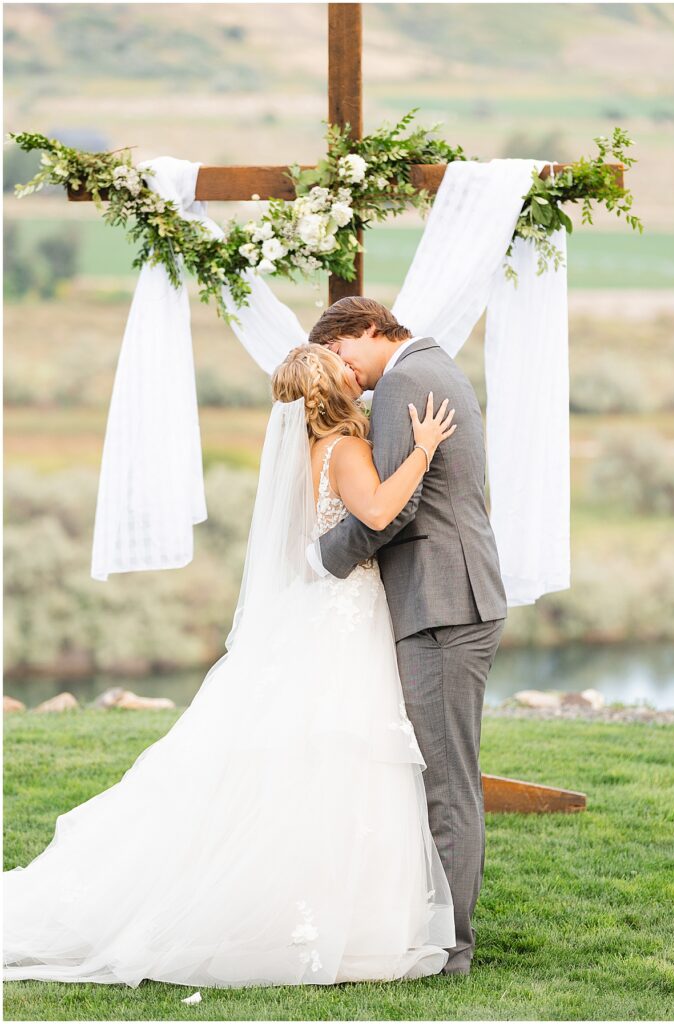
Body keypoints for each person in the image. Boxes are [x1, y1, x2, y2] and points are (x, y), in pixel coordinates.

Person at [3, 344, 458, 989]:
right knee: (344, 752)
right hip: (344, 622)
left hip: (325, 610)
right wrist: (424, 449)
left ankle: (328, 910)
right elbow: (379, 513)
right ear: (334, 389)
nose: (357, 379)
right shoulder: (345, 451)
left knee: (315, 757)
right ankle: (340, 917)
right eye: (346, 374)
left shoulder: (305, 454)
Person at [307, 296, 508, 975]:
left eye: (340, 353)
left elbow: (389, 511)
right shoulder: (430, 367)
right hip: (449, 593)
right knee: (440, 776)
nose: (343, 372)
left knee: (445, 783)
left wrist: (319, 560)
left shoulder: (402, 381)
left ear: (366, 329)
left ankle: (450, 947)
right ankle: (432, 928)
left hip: (443, 602)